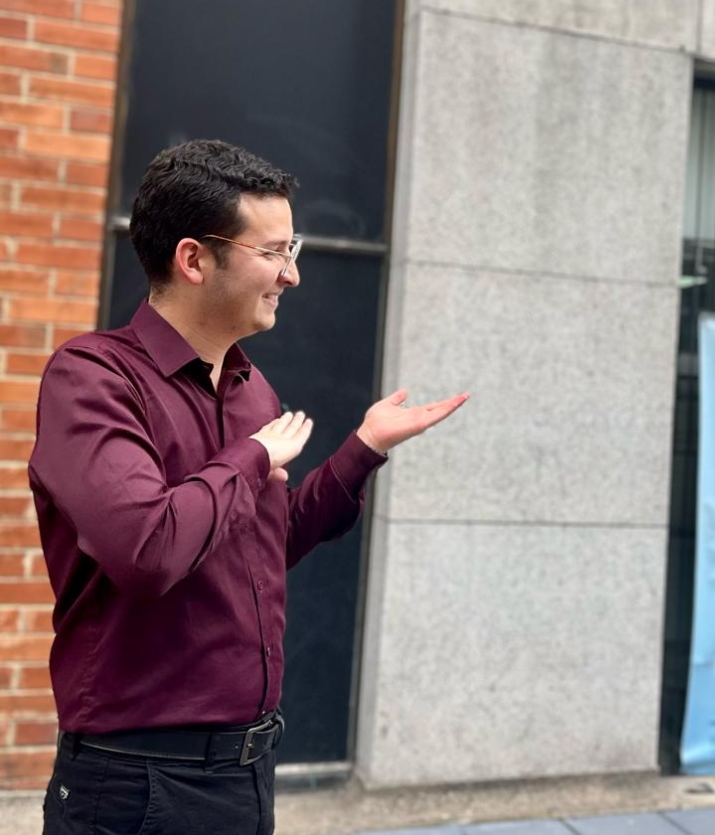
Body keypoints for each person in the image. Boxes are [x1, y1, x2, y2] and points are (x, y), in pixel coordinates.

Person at [28, 140, 468, 835]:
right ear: (194, 259)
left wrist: (363, 450)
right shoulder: (93, 378)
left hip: (246, 771)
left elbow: (262, 547)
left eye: (294, 250)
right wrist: (253, 458)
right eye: (274, 252)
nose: (292, 275)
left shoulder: (248, 386)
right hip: (136, 780)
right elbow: (147, 549)